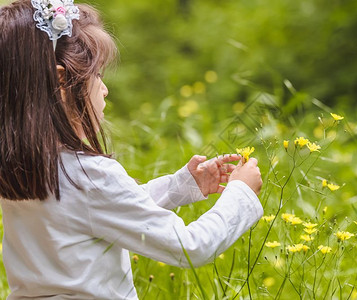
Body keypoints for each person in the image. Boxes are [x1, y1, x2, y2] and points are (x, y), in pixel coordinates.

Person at [0, 0, 263, 299]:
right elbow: (191, 248)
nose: (104, 88)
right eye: (96, 75)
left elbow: (101, 210)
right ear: (62, 81)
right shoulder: (89, 176)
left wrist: (182, 186)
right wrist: (240, 194)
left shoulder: (22, 167)